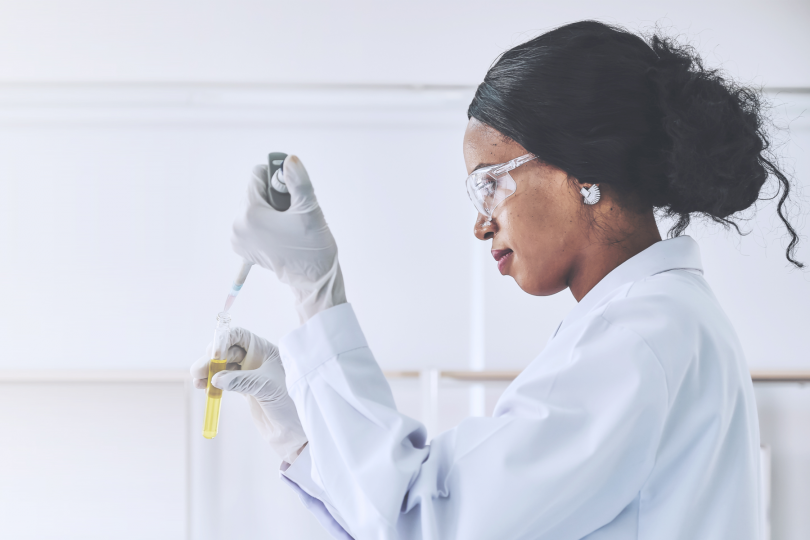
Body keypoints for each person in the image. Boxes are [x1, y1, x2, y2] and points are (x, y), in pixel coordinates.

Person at [190, 21, 802, 539]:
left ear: (583, 171)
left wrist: (314, 291)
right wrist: (297, 429)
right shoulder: (660, 322)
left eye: (490, 182)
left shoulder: (641, 337)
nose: (481, 225)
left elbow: (425, 518)